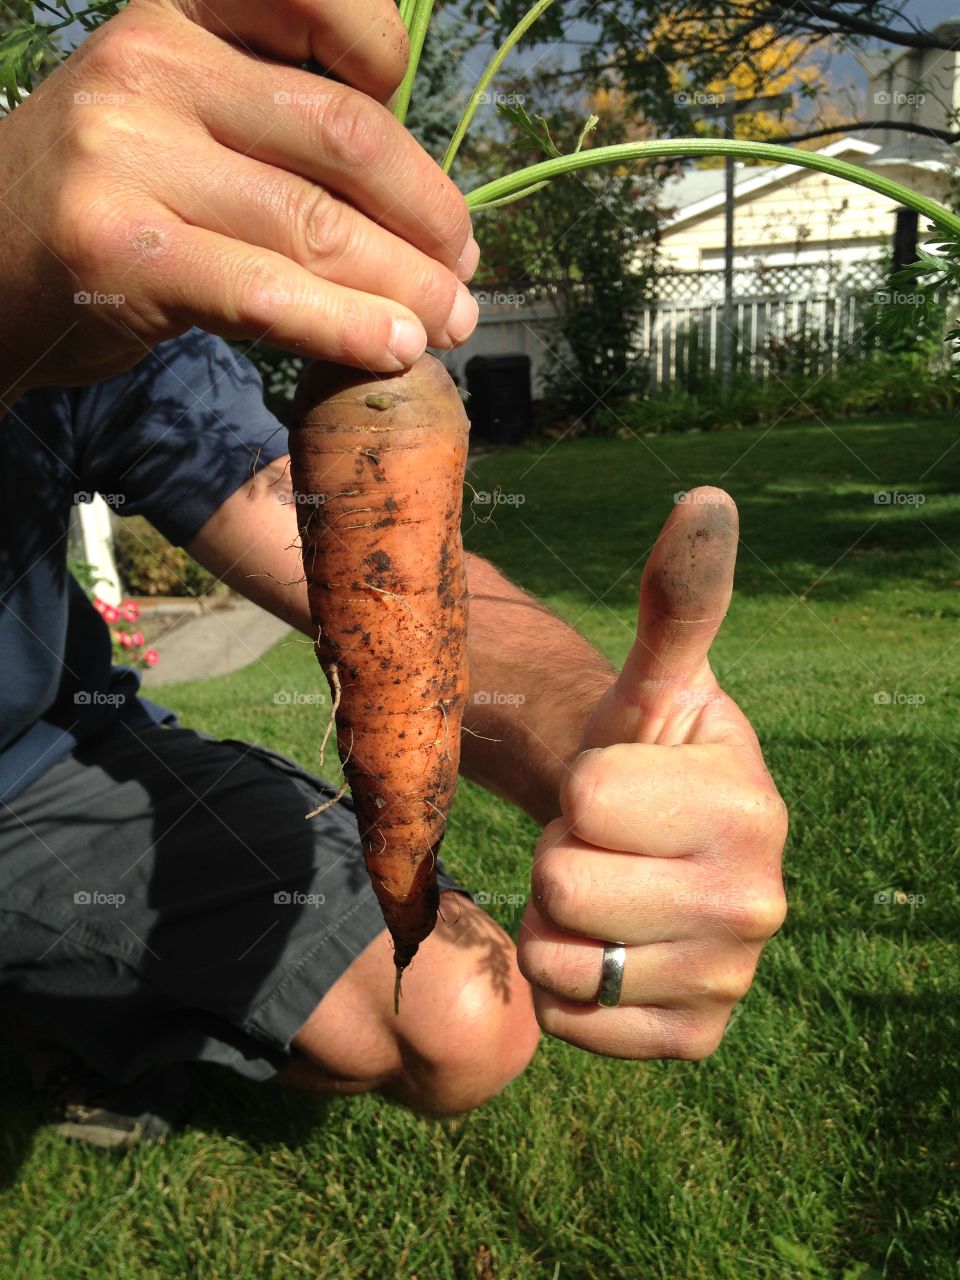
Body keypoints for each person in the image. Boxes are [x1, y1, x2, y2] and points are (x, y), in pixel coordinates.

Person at [0, 0, 787, 1145]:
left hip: (54, 753)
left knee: (462, 1012)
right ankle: (80, 1009)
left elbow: (292, 515)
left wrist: (597, 741)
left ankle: (89, 1007)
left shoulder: (86, 304)